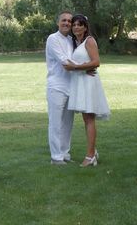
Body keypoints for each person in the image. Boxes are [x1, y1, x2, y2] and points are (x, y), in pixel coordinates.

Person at [64, 14, 110, 167]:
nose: (76, 27)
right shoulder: (75, 42)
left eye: (80, 24)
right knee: (86, 119)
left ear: (85, 27)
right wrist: (83, 68)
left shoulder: (89, 41)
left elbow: (96, 62)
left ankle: (90, 156)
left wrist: (77, 67)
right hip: (80, 81)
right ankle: (93, 151)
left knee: (89, 119)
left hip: (88, 83)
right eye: (74, 25)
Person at [45, 11, 75, 165]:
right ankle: (56, 157)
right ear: (58, 23)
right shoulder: (53, 39)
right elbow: (65, 63)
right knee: (56, 123)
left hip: (71, 86)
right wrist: (87, 67)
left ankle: (65, 153)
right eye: (64, 20)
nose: (67, 23)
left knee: (68, 123)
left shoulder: (71, 40)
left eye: (70, 21)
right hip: (56, 86)